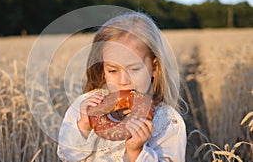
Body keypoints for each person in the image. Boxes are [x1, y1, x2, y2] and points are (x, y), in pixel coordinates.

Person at [57, 11, 186, 162]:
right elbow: (66, 156)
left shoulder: (168, 122)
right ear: (103, 70)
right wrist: (84, 125)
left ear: (154, 68)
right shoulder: (85, 106)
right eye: (113, 70)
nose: (123, 81)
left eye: (134, 69)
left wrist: (136, 153)